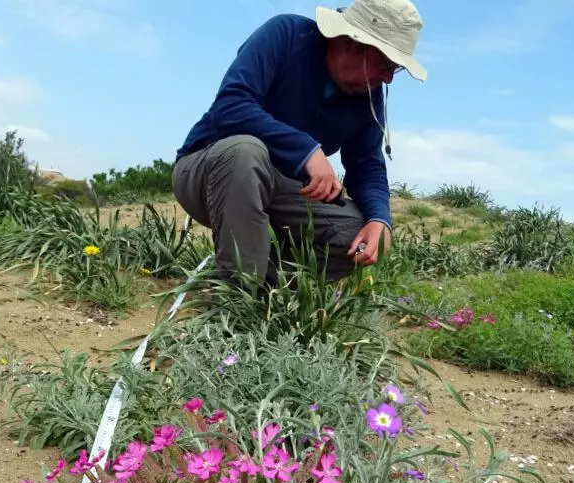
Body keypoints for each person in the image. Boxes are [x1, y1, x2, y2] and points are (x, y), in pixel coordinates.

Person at [172, 0, 427, 288]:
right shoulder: (286, 35)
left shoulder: (369, 94)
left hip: (283, 190)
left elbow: (367, 166)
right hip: (208, 173)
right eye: (385, 64)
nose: (389, 77)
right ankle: (237, 294)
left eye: (396, 69)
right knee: (246, 151)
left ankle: (266, 289)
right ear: (353, 42)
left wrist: (380, 220)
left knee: (354, 232)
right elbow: (230, 107)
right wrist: (305, 151)